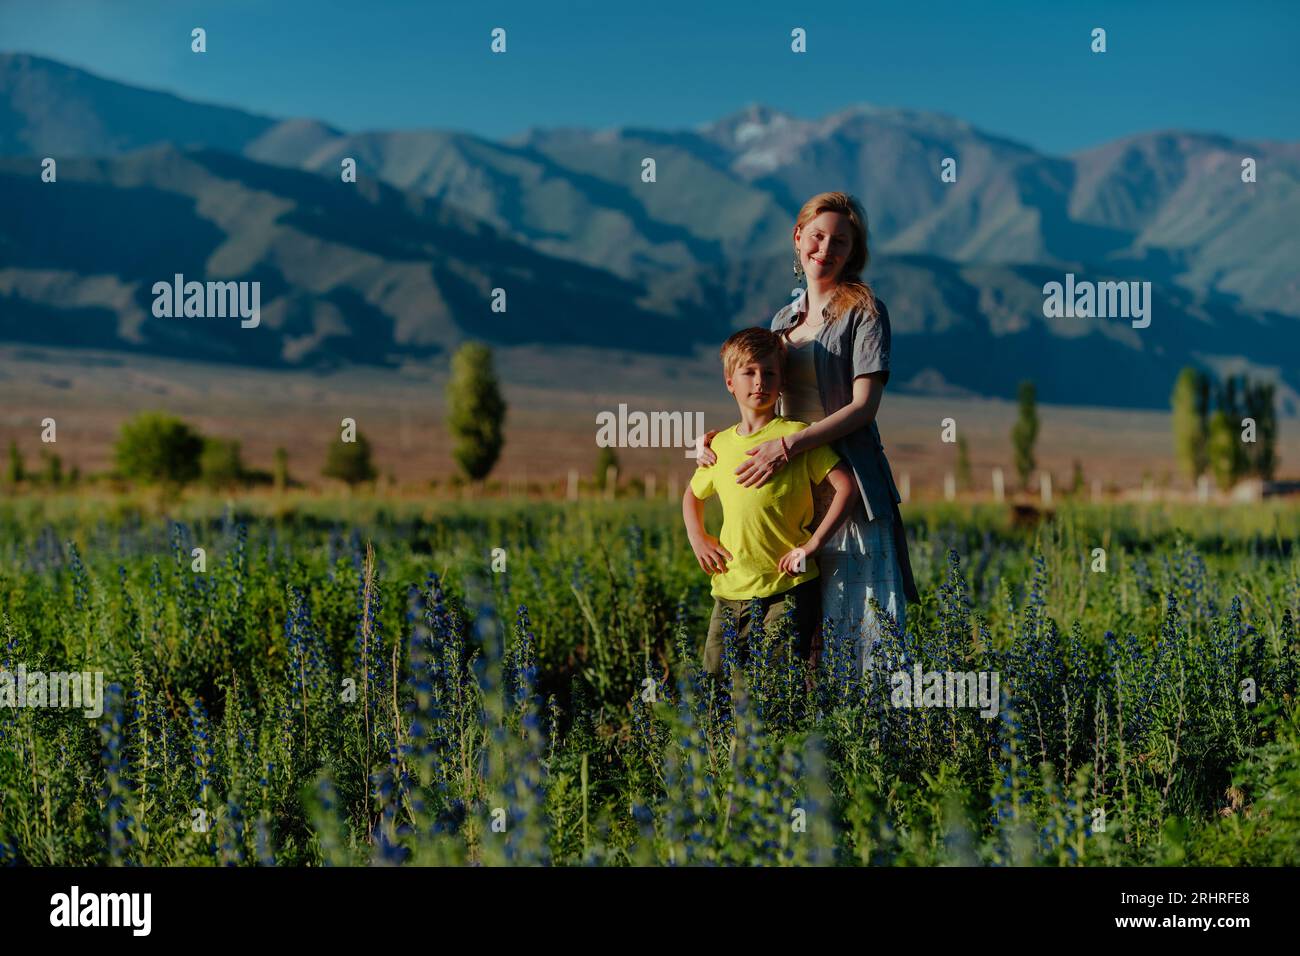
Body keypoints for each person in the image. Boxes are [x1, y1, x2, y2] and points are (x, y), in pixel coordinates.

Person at [697, 192, 919, 676]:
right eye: (817, 236)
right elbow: (762, 404)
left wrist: (789, 445)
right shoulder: (782, 322)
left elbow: (865, 406)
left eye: (840, 240)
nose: (826, 248)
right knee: (800, 629)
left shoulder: (865, 311)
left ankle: (875, 740)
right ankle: (806, 743)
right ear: (798, 239)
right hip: (790, 493)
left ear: (852, 250)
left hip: (850, 487)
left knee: (861, 627)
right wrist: (718, 440)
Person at [682, 327, 857, 678]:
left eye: (770, 372)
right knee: (716, 683)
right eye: (748, 372)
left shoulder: (795, 436)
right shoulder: (718, 446)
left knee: (777, 689)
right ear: (730, 381)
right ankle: (725, 737)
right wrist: (697, 537)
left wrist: (813, 544)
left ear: (782, 381)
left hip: (787, 588)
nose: (759, 381)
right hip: (730, 588)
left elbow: (846, 487)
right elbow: (692, 494)